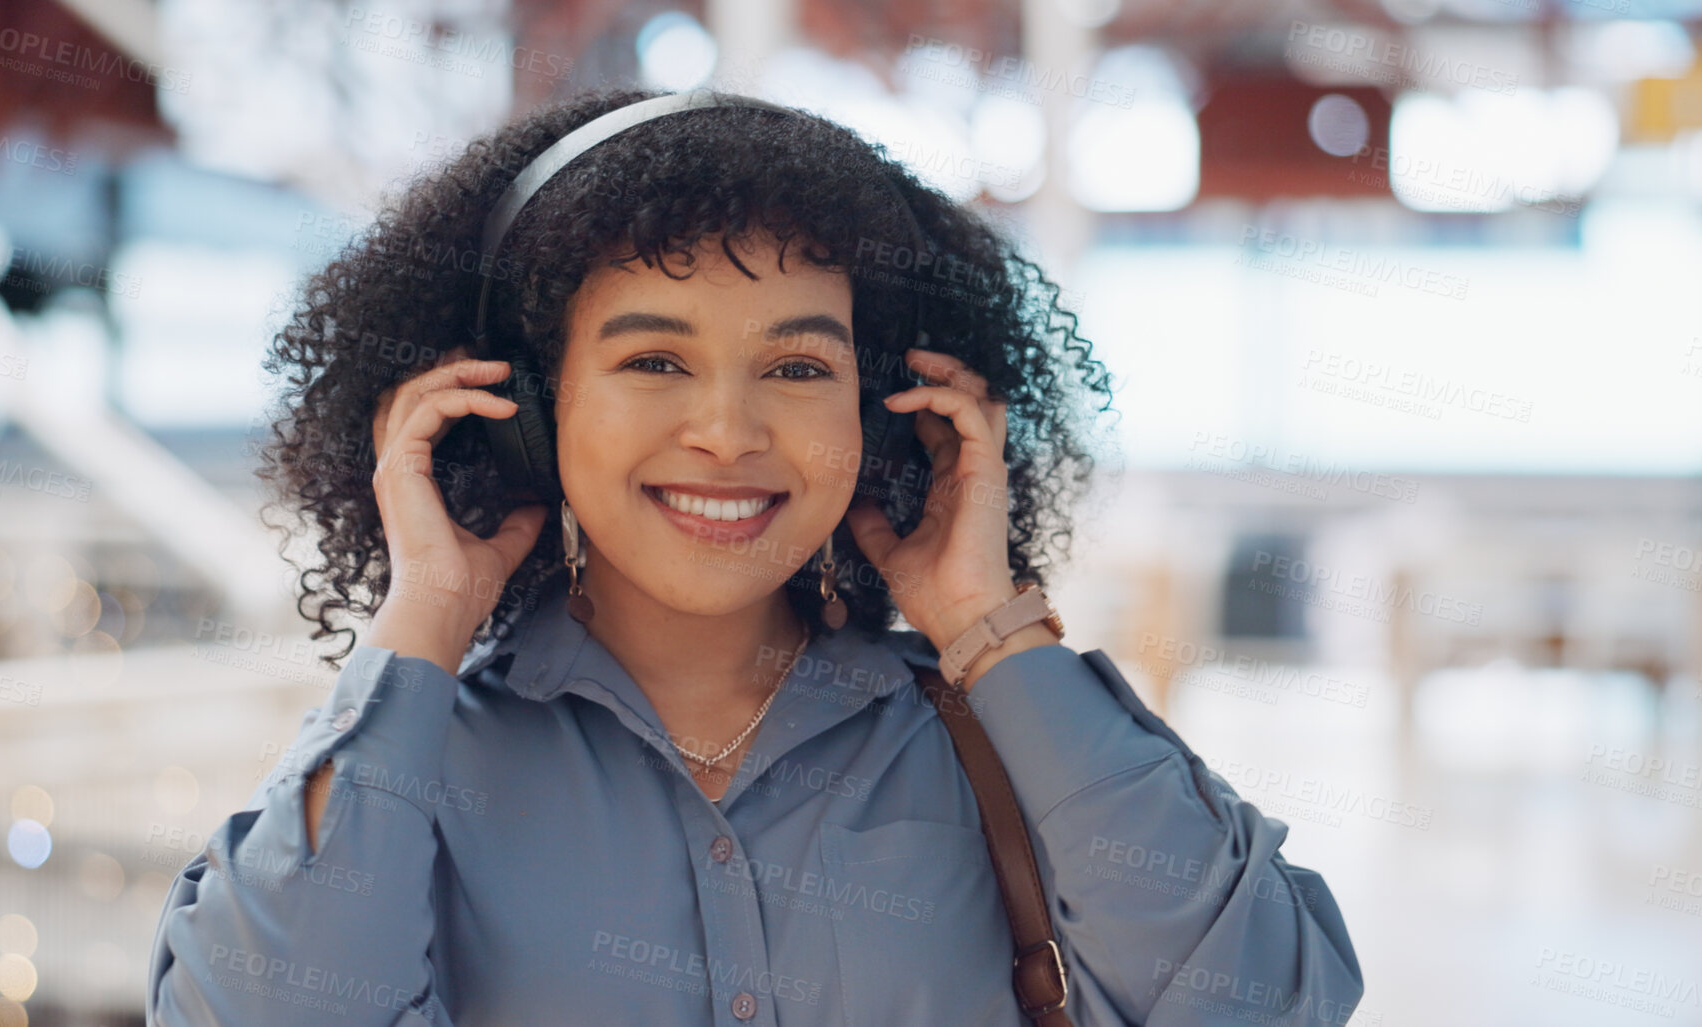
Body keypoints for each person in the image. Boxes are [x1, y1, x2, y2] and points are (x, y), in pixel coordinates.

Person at [146, 86, 1363, 1026]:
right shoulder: (420, 766)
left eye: (796, 368)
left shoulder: (995, 744)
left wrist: (989, 621)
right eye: (653, 360)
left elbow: (1267, 994)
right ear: (528, 405)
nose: (727, 432)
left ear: (881, 408)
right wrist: (423, 622)